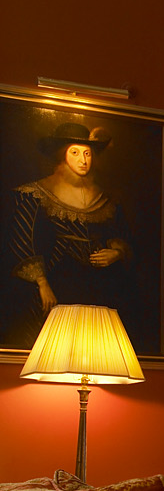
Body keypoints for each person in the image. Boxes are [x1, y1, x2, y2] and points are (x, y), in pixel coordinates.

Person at [5, 122, 133, 346]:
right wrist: (42, 283)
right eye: (75, 153)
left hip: (98, 285)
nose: (83, 160)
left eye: (88, 153)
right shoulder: (34, 194)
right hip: (56, 279)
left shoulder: (105, 198)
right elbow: (23, 239)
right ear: (62, 155)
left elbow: (119, 233)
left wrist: (116, 252)